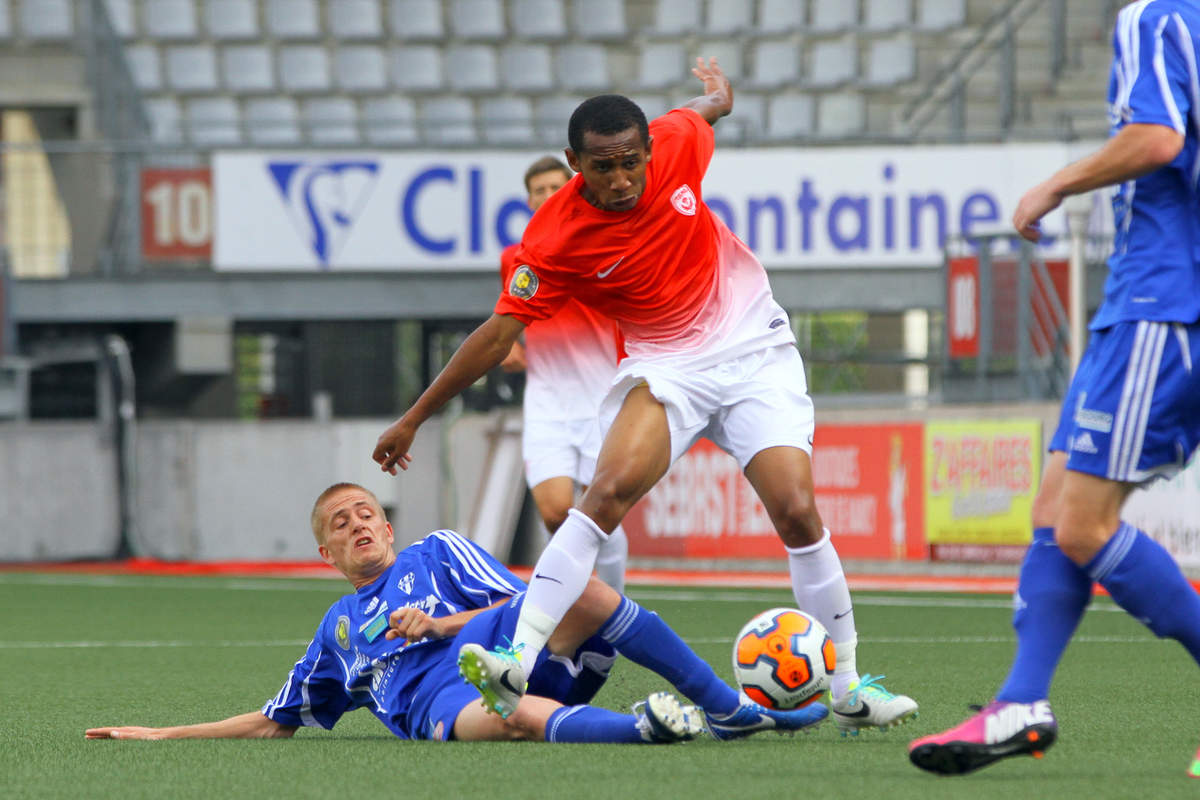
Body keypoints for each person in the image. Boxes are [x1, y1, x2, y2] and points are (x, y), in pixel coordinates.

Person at [373, 58, 917, 735]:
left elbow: (705, 110)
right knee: (602, 497)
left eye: (631, 161)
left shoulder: (679, 144)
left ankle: (847, 687)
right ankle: (516, 657)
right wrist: (415, 418)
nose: (621, 178)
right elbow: (495, 336)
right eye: (602, 167)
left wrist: (718, 92)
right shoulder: (554, 239)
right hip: (668, 367)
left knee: (798, 511)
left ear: (650, 151)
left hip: (753, 353)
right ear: (576, 163)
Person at [909, 0, 1200, 776]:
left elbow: (1157, 138)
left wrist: (1056, 184)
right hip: (1144, 305)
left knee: (1081, 525)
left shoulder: (1158, 15)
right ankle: (1020, 701)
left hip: (1164, 306)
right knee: (1054, 506)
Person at [85, 483, 827, 744]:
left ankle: (728, 708)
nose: (359, 526)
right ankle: (646, 729)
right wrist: (163, 732)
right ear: (326, 555)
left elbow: (524, 600)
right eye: (341, 525)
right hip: (437, 700)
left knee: (580, 590)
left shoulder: (436, 555)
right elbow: (275, 719)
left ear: (390, 526)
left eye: (367, 514)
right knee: (504, 719)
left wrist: (441, 626)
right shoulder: (337, 632)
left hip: (503, 644)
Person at [499, 156, 629, 592]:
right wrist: (512, 347)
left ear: (575, 190)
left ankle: (613, 613)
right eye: (539, 190)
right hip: (547, 404)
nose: (548, 196)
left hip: (601, 403)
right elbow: (511, 317)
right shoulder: (515, 259)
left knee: (602, 517)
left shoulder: (605, 246)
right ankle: (580, 605)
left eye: (557, 187)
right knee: (557, 514)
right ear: (529, 200)